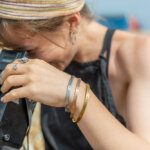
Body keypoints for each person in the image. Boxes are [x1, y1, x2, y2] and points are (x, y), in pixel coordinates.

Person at [0, 0, 150, 149]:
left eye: (30, 51)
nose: (25, 63)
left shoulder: (139, 55)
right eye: (14, 53)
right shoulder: (55, 57)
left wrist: (74, 93)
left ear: (72, 23)